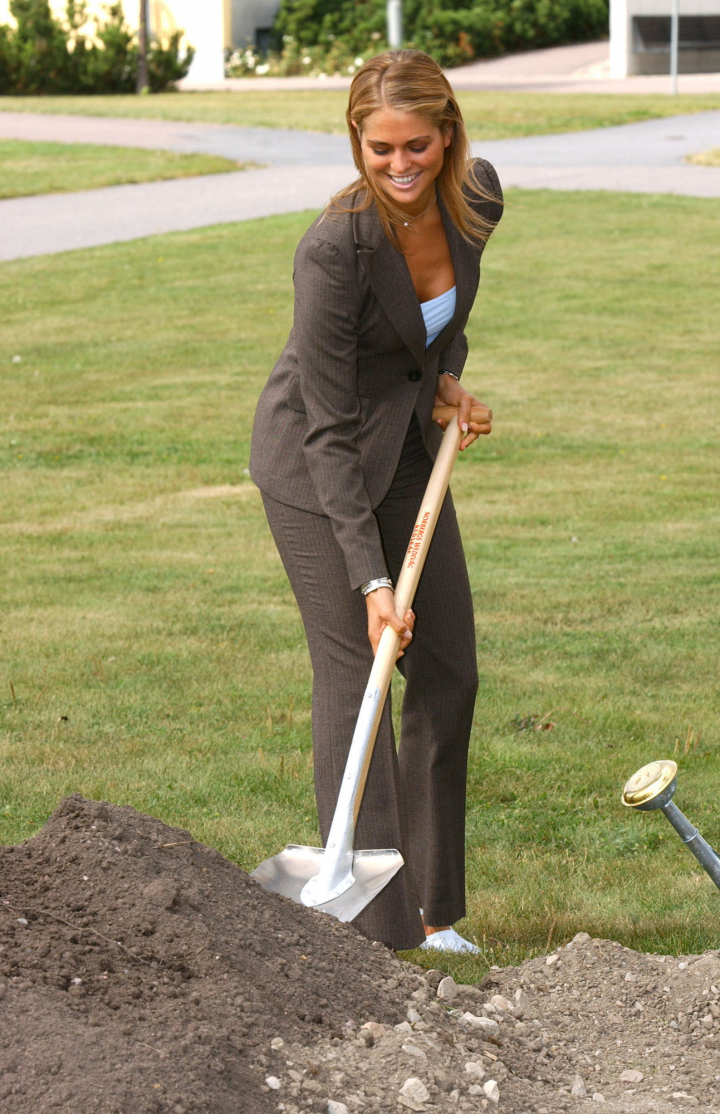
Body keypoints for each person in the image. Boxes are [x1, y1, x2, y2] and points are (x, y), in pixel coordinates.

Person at [250, 49, 503, 953]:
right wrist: (369, 580)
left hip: (401, 449)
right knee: (357, 673)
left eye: (419, 148)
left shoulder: (477, 199)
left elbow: (441, 321)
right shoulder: (333, 249)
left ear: (449, 135)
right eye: (379, 148)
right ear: (355, 141)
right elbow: (323, 427)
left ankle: (433, 912)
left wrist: (447, 382)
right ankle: (374, 932)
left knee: (446, 669)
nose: (400, 167)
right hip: (316, 469)